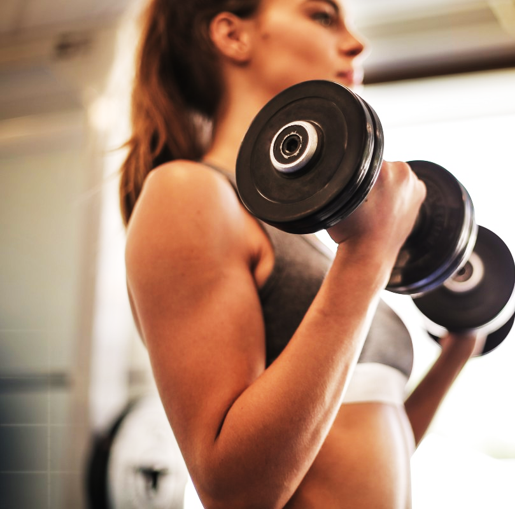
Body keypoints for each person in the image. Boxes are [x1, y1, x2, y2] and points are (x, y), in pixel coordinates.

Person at [121, 0, 481, 507]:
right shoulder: (190, 193)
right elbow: (235, 492)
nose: (356, 42)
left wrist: (456, 354)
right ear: (232, 35)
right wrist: (370, 253)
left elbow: (364, 443)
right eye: (321, 16)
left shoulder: (313, 234)